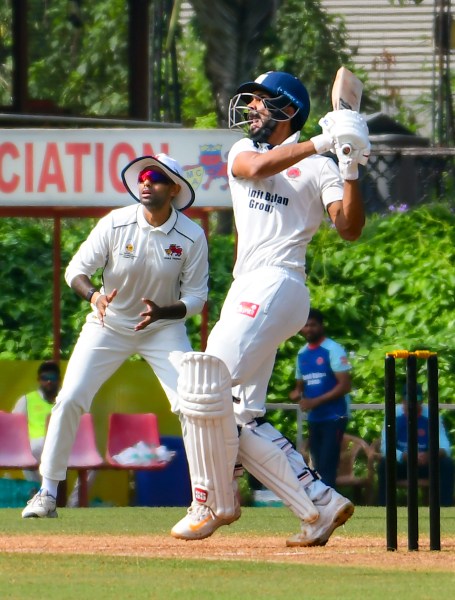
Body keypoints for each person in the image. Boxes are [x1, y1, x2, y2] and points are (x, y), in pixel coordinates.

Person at [171, 70, 370, 546]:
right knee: (240, 414)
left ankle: (211, 501)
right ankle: (318, 505)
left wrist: (350, 164)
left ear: (287, 111)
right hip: (248, 288)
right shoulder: (245, 150)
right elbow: (253, 172)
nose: (252, 108)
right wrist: (325, 141)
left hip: (280, 282)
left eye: (262, 101)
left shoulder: (321, 165)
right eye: (253, 100)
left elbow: (349, 227)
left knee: (202, 382)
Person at [21, 153, 208, 518]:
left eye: (154, 177)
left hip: (164, 329)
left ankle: (205, 497)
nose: (145, 182)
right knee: (70, 397)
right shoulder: (116, 223)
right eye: (142, 177)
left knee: (191, 406)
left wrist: (163, 312)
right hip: (108, 324)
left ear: (173, 188)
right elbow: (76, 270)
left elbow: (197, 298)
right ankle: (46, 493)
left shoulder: (192, 235)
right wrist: (94, 295)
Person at [13, 360, 96, 507]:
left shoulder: (68, 400)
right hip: (38, 445)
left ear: (59, 379)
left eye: (53, 377)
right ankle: (41, 496)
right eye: (45, 378)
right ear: (39, 380)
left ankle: (73, 504)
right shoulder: (27, 400)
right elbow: (14, 426)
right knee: (28, 453)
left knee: (92, 465)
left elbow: (81, 425)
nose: (49, 381)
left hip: (66, 444)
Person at [289, 308, 352, 489]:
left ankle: (332, 505)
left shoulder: (332, 349)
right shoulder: (302, 354)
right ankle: (325, 503)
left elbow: (345, 385)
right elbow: (300, 386)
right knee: (317, 463)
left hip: (335, 416)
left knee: (327, 463)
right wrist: (296, 394)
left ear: (321, 326)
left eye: (313, 325)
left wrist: (315, 401)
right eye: (305, 326)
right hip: (315, 417)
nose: (309, 329)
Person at [378, 384, 454, 506]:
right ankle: (384, 506)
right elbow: (385, 447)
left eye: (417, 401)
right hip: (403, 464)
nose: (412, 405)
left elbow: (445, 446)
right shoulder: (393, 414)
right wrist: (404, 456)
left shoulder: (432, 415)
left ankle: (445, 506)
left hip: (425, 463)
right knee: (384, 465)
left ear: (422, 401)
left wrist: (430, 455)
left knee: (447, 464)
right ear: (403, 400)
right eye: (408, 401)